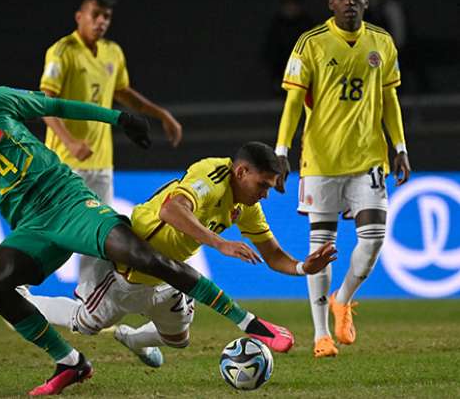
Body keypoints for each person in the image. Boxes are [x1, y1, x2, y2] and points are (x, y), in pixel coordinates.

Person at [0, 72, 293, 395]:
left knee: (144, 256)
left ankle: (250, 323)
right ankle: (70, 362)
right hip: (32, 227)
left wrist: (117, 118)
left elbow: (56, 107)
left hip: (71, 200)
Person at [21, 142, 337, 367]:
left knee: (178, 338)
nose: (266, 193)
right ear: (241, 172)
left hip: (167, 274)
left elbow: (271, 254)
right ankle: (22, 300)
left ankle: (131, 339)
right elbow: (171, 209)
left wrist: (302, 267)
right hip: (127, 267)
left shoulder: (245, 207)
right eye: (263, 184)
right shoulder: (212, 175)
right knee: (86, 324)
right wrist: (220, 243)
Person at [274, 0, 410, 358]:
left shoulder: (381, 42)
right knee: (322, 248)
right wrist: (281, 150)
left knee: (373, 241)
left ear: (366, 2)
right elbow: (293, 102)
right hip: (321, 162)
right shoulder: (311, 43)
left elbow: (389, 98)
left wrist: (399, 147)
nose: (350, 3)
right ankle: (321, 336)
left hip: (369, 159)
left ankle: (343, 300)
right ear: (331, 3)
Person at [40, 0, 183, 302]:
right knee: (59, 233)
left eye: (106, 17)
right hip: (66, 163)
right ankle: (17, 284)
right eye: (95, 15)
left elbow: (124, 93)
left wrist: (162, 115)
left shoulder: (112, 53)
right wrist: (70, 141)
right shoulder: (62, 52)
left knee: (101, 235)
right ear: (80, 16)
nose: (101, 21)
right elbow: (44, 103)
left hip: (101, 164)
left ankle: (87, 296)